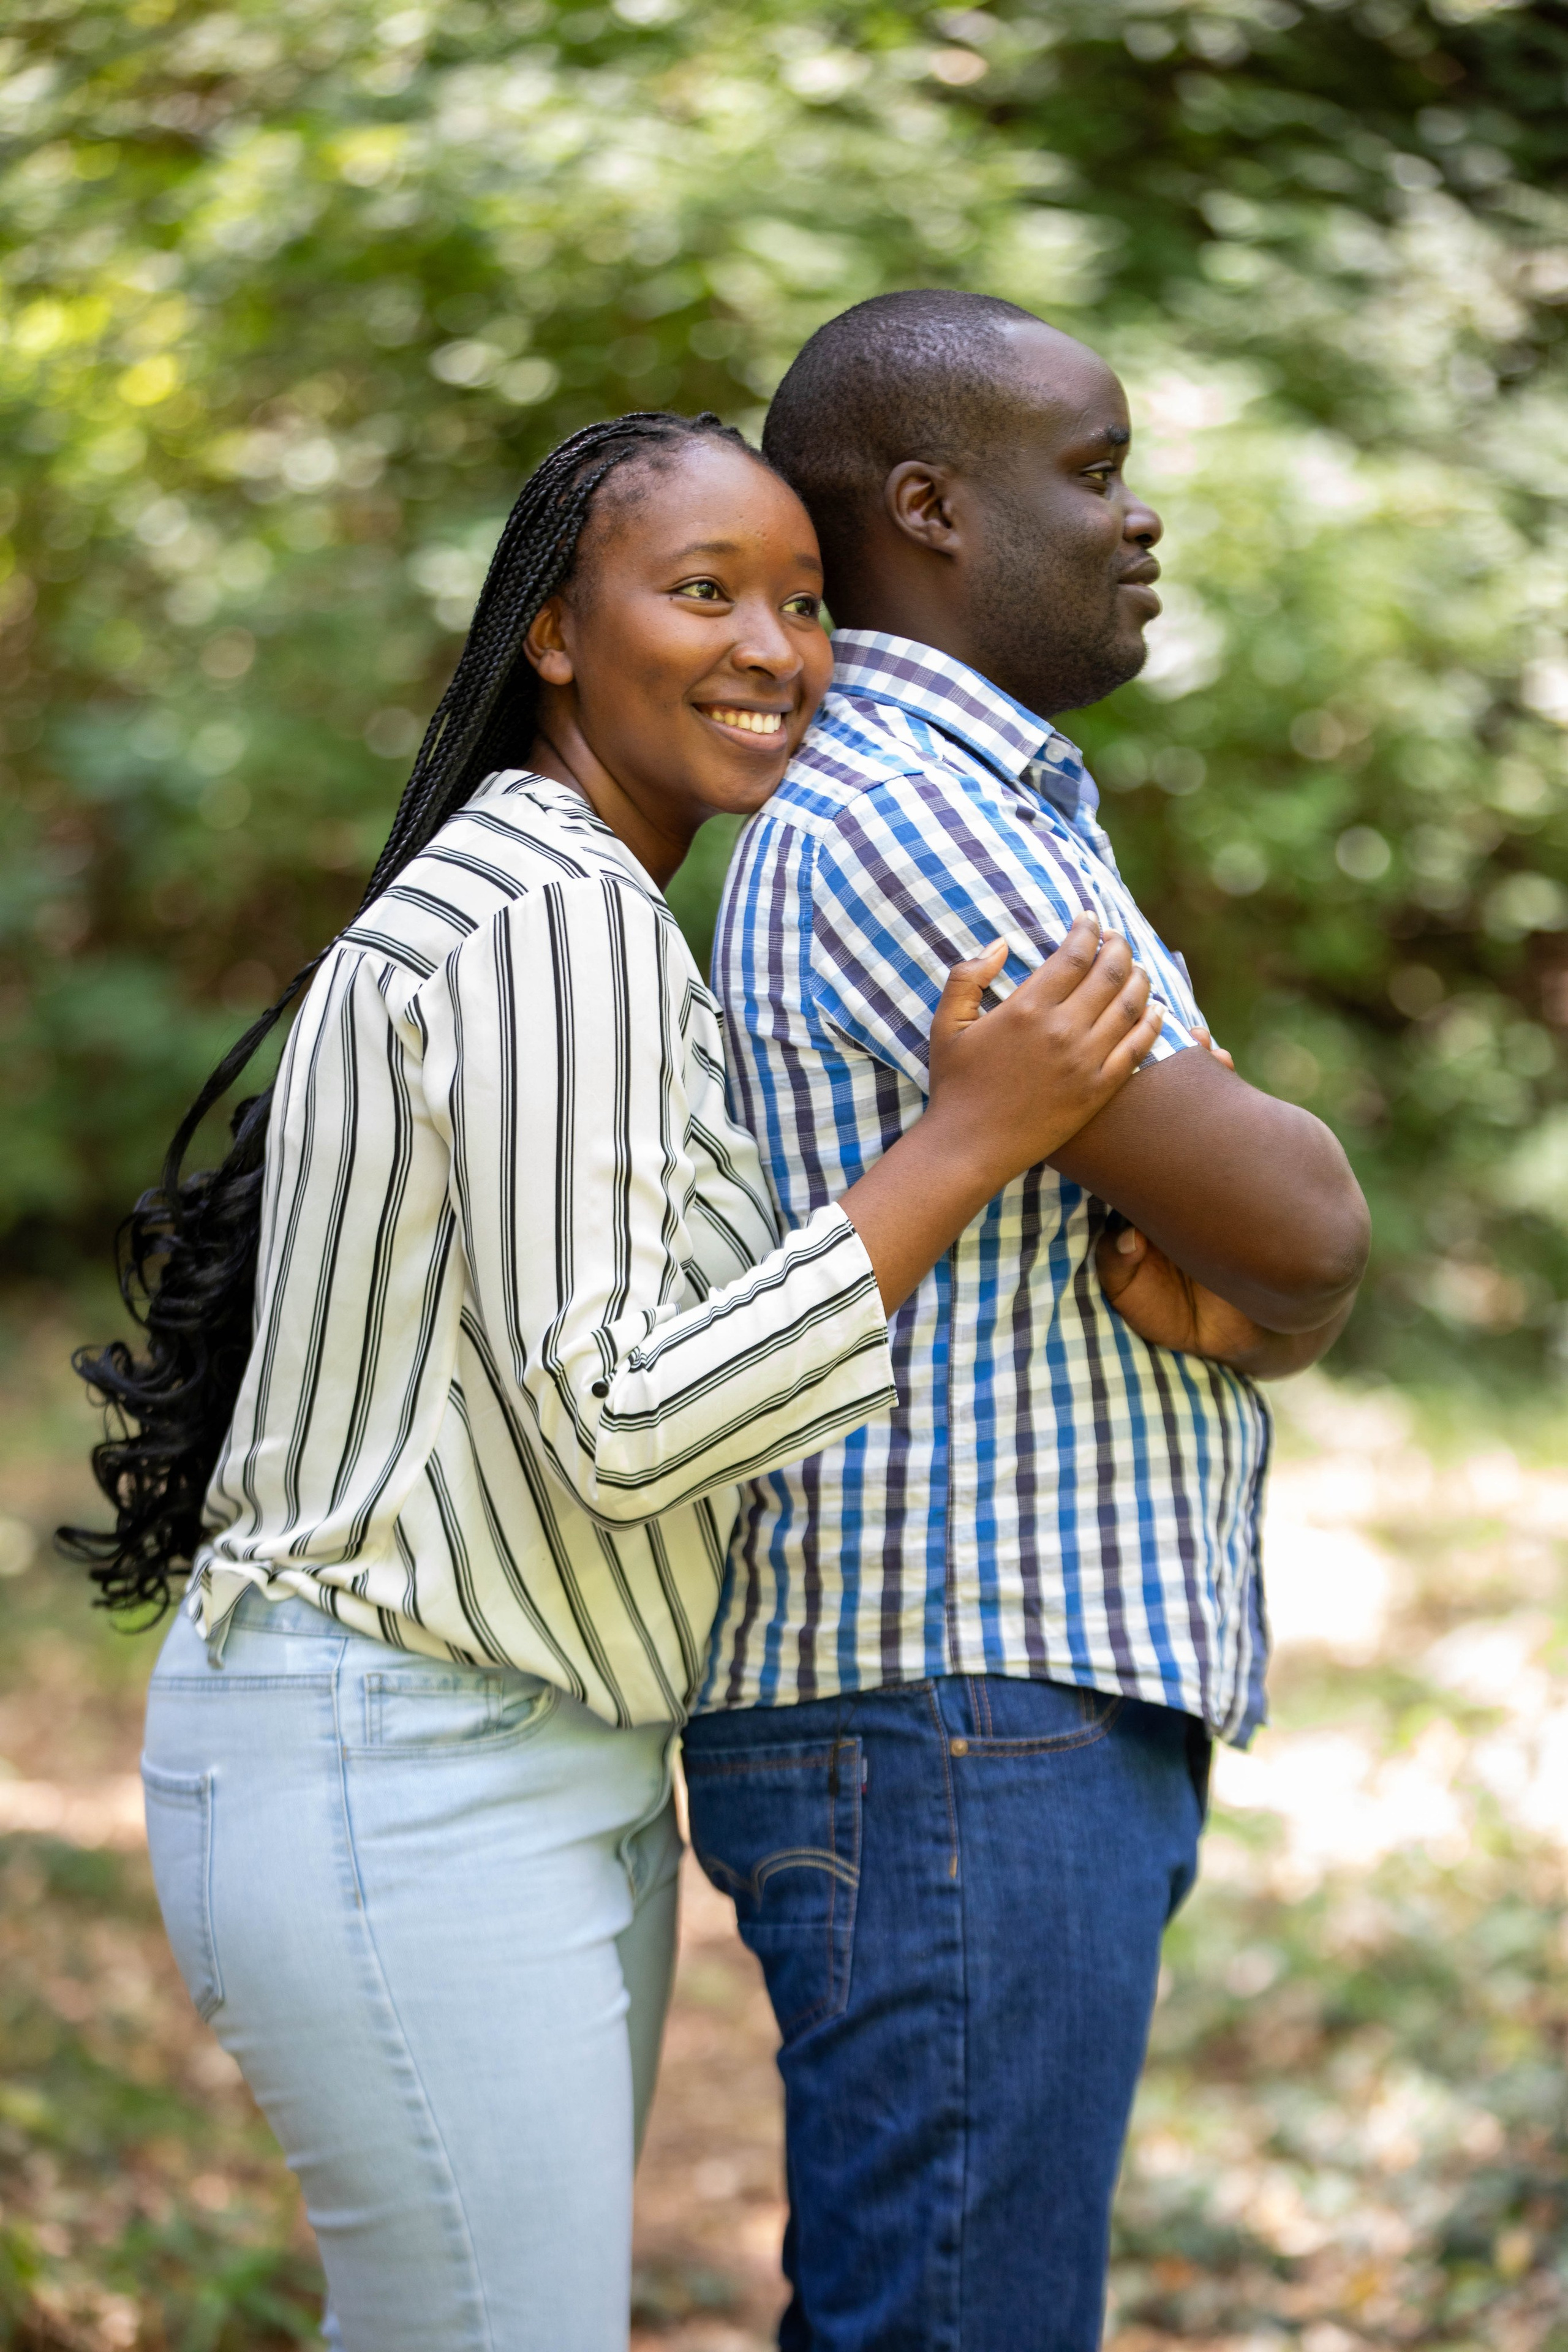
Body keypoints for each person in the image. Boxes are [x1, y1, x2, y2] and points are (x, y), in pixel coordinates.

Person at [62, 409, 1166, 2352]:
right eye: (706, 592)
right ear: (557, 631)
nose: (774, 650)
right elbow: (637, 1417)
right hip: (411, 1764)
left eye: (807, 605)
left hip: (495, 1756)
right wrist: (961, 1149)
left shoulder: (579, 907)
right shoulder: (554, 915)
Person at [682, 296, 1373, 2351]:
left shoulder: (980, 803)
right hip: (964, 1711)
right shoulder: (919, 810)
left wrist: (1267, 1293)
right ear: (930, 511)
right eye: (1095, 472)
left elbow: (1274, 1279)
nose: (1141, 521)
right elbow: (1307, 1219)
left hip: (989, 1709)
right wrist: (1276, 1274)